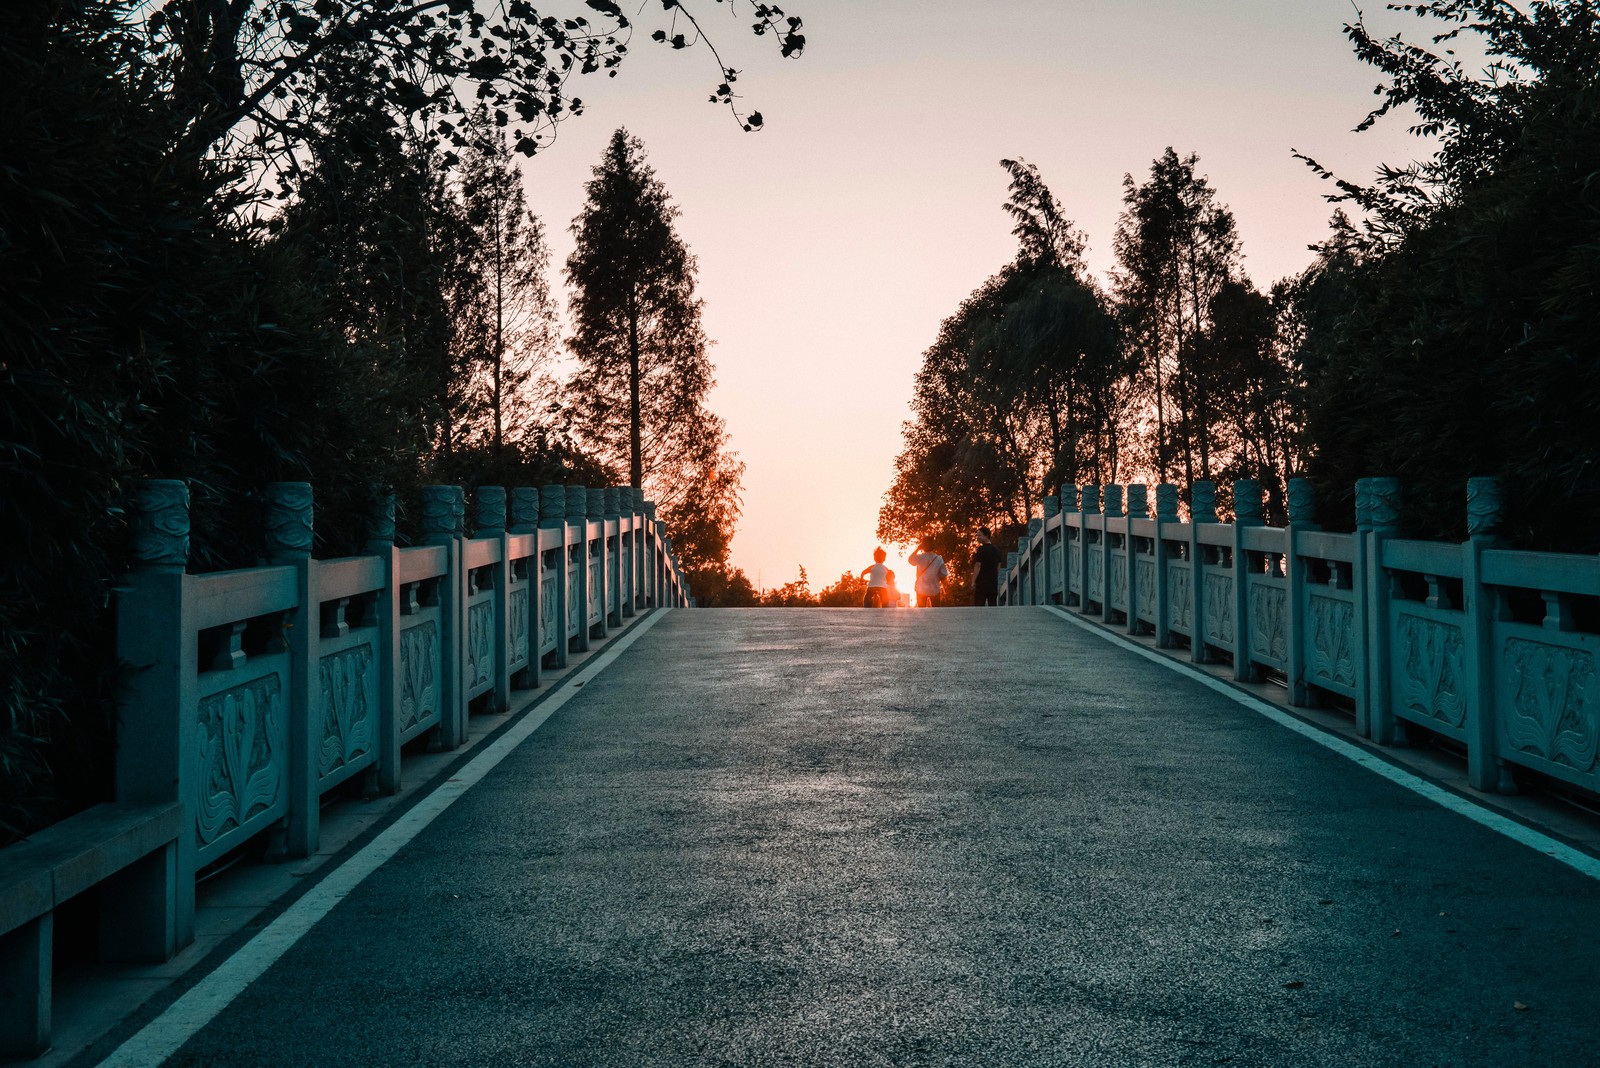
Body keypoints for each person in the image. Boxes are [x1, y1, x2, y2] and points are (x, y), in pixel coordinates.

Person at [908, 538, 949, 607]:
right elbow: (943, 575)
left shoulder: (919, 557)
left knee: (922, 613)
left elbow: (910, 560)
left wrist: (917, 549)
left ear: (922, 547)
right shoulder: (939, 559)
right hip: (934, 589)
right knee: (936, 612)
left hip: (921, 589)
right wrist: (946, 589)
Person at [971, 527, 1004, 606]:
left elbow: (978, 565)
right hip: (993, 581)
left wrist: (973, 581)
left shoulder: (981, 549)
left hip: (982, 581)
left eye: (979, 536)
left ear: (986, 536)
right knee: (992, 603)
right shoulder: (996, 550)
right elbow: (998, 566)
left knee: (979, 603)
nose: (978, 538)